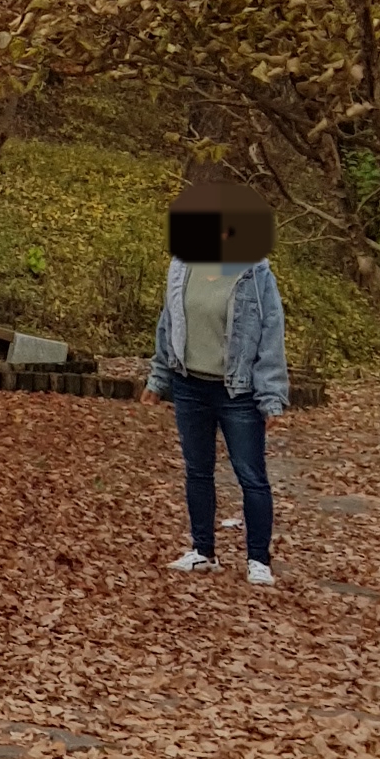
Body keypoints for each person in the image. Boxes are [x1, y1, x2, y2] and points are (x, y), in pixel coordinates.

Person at [143, 169, 291, 585]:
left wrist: (272, 397)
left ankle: (258, 560)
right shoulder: (182, 266)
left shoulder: (255, 273)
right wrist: (158, 379)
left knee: (251, 474)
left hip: (237, 391)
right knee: (197, 470)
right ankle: (203, 551)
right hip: (190, 385)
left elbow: (270, 332)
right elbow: (168, 321)